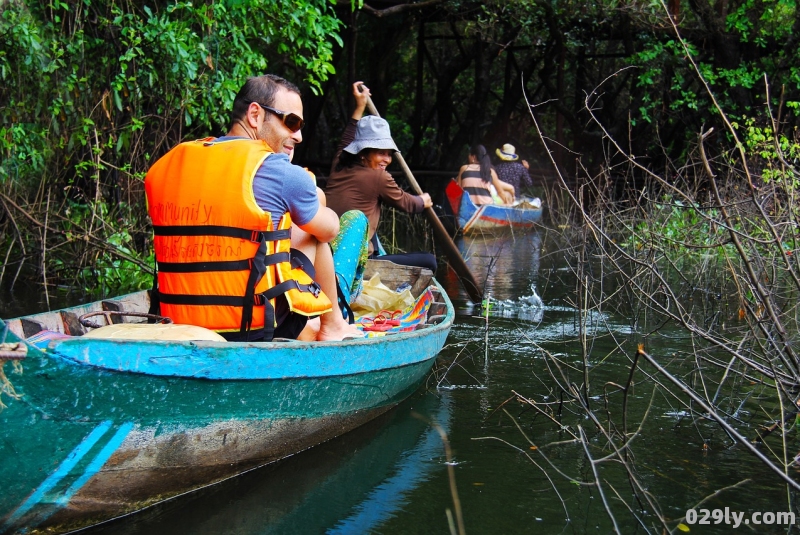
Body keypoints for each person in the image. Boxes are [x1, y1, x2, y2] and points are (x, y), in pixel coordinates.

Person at [145, 74, 363, 342]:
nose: (299, 136)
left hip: (175, 320)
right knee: (314, 232)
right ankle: (334, 326)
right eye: (292, 122)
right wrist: (315, 195)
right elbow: (329, 230)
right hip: (252, 326)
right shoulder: (280, 170)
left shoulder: (169, 164)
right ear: (255, 115)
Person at [325, 82, 438, 273]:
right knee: (430, 261)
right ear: (363, 153)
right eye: (380, 153)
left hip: (327, 252)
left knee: (372, 237)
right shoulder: (379, 177)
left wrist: (360, 106)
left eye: (389, 153)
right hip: (354, 260)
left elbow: (347, 137)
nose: (386, 159)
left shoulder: (339, 163)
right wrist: (422, 201)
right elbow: (406, 203)